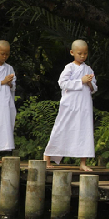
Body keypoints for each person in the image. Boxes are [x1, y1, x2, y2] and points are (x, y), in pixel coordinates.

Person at [43, 39, 97, 171]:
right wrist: (80, 81)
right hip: (70, 104)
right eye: (80, 53)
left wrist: (89, 83)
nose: (83, 56)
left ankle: (83, 162)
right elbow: (62, 83)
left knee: (84, 130)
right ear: (72, 52)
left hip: (84, 104)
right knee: (62, 126)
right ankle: (47, 155)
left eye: (85, 53)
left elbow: (94, 88)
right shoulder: (69, 67)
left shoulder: (88, 69)